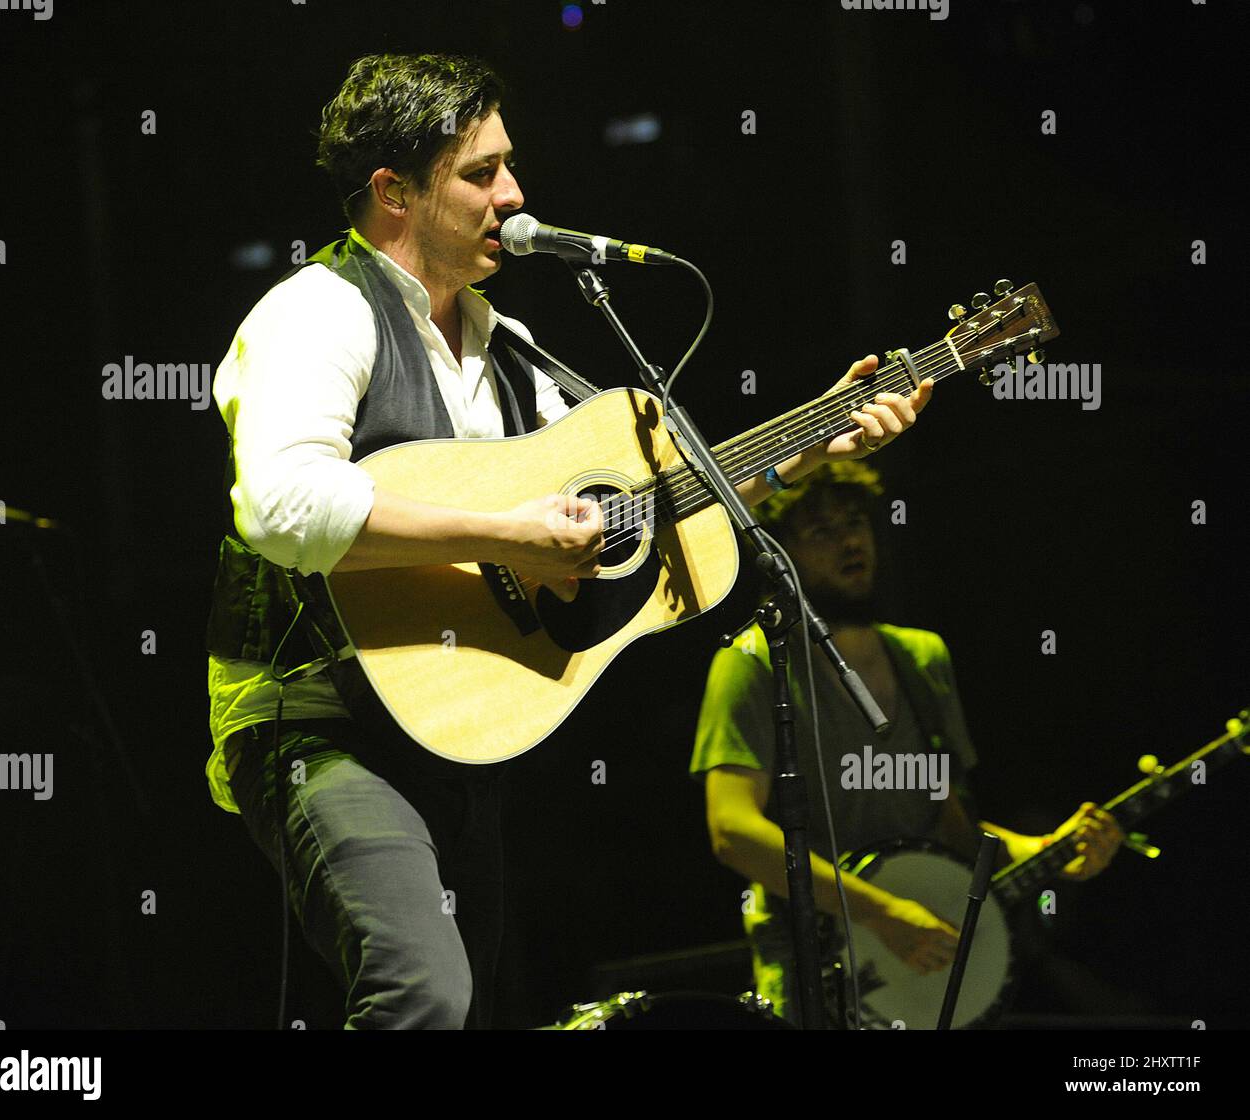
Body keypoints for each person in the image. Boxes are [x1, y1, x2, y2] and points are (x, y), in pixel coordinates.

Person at [202, 51, 934, 1029]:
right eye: (478, 173)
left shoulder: (507, 349)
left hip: (455, 729)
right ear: (391, 193)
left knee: (480, 1008)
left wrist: (812, 445)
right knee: (423, 990)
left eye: (507, 164)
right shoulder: (319, 313)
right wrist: (509, 535)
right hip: (319, 723)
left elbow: (654, 499)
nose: (512, 193)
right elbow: (284, 508)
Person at [690, 459, 1125, 1025]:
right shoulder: (750, 662)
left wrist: (1047, 850)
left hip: (926, 972)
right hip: (817, 974)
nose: (850, 541)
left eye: (855, 523)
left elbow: (953, 831)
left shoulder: (922, 658)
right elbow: (733, 832)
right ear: (781, 555)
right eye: (821, 531)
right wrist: (881, 913)